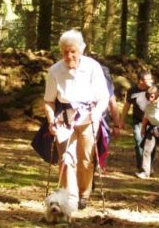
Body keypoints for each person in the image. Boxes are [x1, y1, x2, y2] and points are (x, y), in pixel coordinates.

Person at [43, 30, 110, 210]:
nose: (69, 55)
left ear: (81, 50)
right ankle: (70, 197)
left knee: (86, 160)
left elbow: (103, 97)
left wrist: (95, 115)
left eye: (73, 51)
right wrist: (51, 120)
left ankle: (84, 194)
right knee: (65, 159)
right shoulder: (55, 70)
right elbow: (49, 101)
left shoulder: (92, 67)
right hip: (64, 121)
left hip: (88, 120)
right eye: (65, 51)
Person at [120, 70, 153, 170]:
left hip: (151, 121)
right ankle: (142, 166)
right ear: (141, 81)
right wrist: (121, 120)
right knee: (139, 142)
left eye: (151, 79)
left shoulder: (154, 89)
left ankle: (148, 166)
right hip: (137, 121)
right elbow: (127, 105)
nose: (151, 81)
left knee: (149, 144)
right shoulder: (132, 91)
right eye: (148, 79)